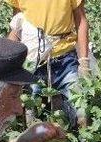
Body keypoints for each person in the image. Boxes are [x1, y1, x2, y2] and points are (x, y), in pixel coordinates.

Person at [6, 0, 89, 129]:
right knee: (32, 118)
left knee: (80, 113)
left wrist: (84, 60)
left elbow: (81, 20)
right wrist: (9, 63)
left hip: (65, 58)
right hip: (33, 61)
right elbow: (17, 25)